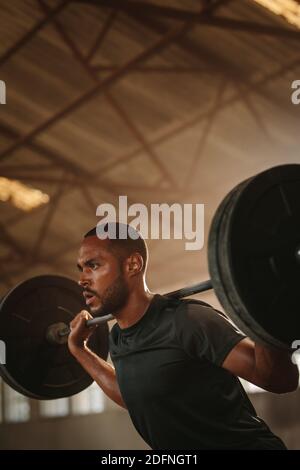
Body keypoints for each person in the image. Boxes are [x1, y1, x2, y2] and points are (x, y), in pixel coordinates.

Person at [68, 223, 298, 450]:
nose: (82, 279)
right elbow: (135, 395)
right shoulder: (118, 337)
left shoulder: (188, 320)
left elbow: (279, 380)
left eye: (93, 265)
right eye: (81, 268)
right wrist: (79, 349)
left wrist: (265, 302)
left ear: (133, 265)